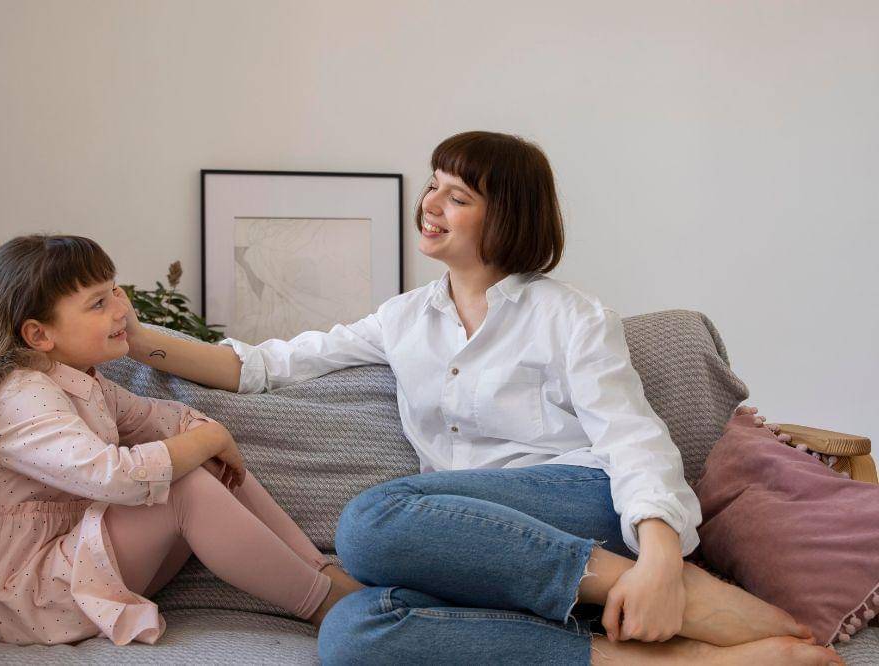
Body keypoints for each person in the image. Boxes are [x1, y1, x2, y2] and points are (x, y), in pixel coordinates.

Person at [118, 132, 844, 665]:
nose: (430, 204)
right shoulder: (401, 319)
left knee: (371, 524)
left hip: (578, 502)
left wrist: (658, 561)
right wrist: (127, 332)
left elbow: (633, 438)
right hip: (470, 538)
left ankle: (677, 593)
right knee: (353, 633)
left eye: (456, 196)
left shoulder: (570, 314)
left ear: (507, 217)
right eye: (433, 184)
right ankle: (681, 662)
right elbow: (262, 367)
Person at [0, 234, 362, 647]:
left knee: (196, 461)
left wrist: (207, 437)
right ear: (39, 334)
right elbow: (113, 476)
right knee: (183, 482)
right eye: (98, 303)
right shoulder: (21, 394)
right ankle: (321, 603)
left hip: (83, 566)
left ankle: (321, 573)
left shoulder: (82, 383)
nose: (121, 311)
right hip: (33, 597)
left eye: (115, 292)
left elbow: (166, 420)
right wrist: (209, 438)